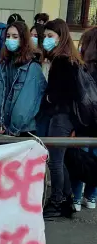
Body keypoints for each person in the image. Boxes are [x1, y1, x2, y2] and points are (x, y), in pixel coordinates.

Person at [40, 18, 83, 218]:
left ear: (61, 36)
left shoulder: (63, 61)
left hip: (61, 116)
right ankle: (67, 200)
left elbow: (64, 92)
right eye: (45, 36)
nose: (46, 39)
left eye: (50, 36)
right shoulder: (69, 59)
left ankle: (57, 201)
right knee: (60, 160)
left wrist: (47, 97)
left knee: (55, 161)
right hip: (67, 117)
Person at [0, 22, 46, 137]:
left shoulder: (32, 66)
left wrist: (14, 128)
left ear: (23, 39)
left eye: (15, 37)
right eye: (8, 36)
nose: (10, 39)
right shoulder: (5, 63)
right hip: (7, 126)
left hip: (24, 129)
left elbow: (26, 104)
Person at [71, 27, 97, 211]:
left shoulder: (83, 67)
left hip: (85, 117)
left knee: (81, 156)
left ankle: (76, 197)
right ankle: (92, 197)